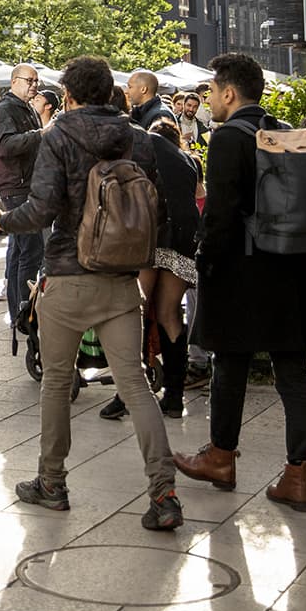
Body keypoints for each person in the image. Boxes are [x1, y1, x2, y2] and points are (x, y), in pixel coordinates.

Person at [0, 57, 182, 529]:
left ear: (67, 95)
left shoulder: (59, 135)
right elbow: (156, 208)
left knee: (56, 381)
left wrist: (0, 220)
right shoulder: (139, 139)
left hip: (67, 275)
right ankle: (164, 493)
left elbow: (41, 209)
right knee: (135, 385)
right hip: (121, 279)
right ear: (110, 92)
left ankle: (52, 483)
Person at [175, 53, 306, 512]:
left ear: (230, 92)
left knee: (230, 366)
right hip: (291, 271)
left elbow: (219, 215)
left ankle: (221, 458)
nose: (208, 101)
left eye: (211, 93)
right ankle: (297, 477)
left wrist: (204, 262)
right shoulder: (282, 132)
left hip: (240, 272)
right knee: (294, 376)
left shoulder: (227, 139)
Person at [97, 115, 202, 422]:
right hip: (182, 239)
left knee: (135, 314)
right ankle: (174, 397)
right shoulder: (185, 158)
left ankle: (128, 395)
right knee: (170, 314)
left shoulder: (138, 148)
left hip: (149, 238)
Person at [0, 63, 45, 321]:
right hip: (17, 186)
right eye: (29, 80)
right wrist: (41, 133)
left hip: (24, 184)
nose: (34, 85)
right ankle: (25, 312)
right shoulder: (6, 108)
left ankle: (18, 312)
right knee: (30, 251)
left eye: (36, 81)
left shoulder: (24, 107)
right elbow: (5, 146)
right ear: (14, 81)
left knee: (19, 251)